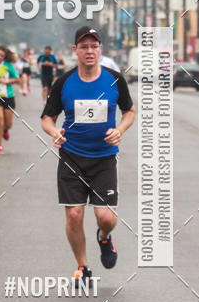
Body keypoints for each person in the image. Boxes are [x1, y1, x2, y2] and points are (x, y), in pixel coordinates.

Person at [41, 26, 136, 286]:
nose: (89, 51)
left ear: (100, 49)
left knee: (105, 217)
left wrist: (120, 129)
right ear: (76, 51)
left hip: (104, 158)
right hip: (72, 156)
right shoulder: (64, 82)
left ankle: (104, 237)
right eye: (84, 46)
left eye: (94, 46)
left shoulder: (115, 79)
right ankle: (83, 268)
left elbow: (129, 111)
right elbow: (47, 118)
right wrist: (54, 132)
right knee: (74, 215)